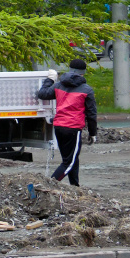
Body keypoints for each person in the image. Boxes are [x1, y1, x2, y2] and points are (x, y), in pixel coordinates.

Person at [36, 58, 98, 186]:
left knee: (70, 160)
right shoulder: (86, 90)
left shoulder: (59, 85)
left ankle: (75, 187)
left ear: (69, 69)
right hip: (73, 129)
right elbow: (91, 114)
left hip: (58, 127)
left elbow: (42, 94)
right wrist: (93, 133)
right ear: (83, 72)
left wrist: (50, 80)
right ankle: (48, 185)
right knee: (69, 162)